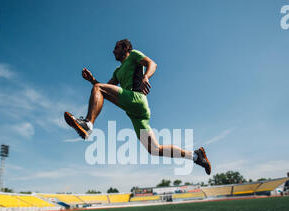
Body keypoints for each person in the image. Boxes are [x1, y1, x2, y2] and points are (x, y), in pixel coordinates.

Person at [64, 39, 211, 175]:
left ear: (125, 48)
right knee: (154, 149)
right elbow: (105, 90)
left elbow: (152, 64)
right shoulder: (117, 72)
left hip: (137, 99)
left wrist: (146, 76)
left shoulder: (134, 55)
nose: (113, 51)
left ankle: (88, 124)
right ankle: (196, 156)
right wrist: (93, 80)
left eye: (116, 48)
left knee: (99, 88)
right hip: (135, 113)